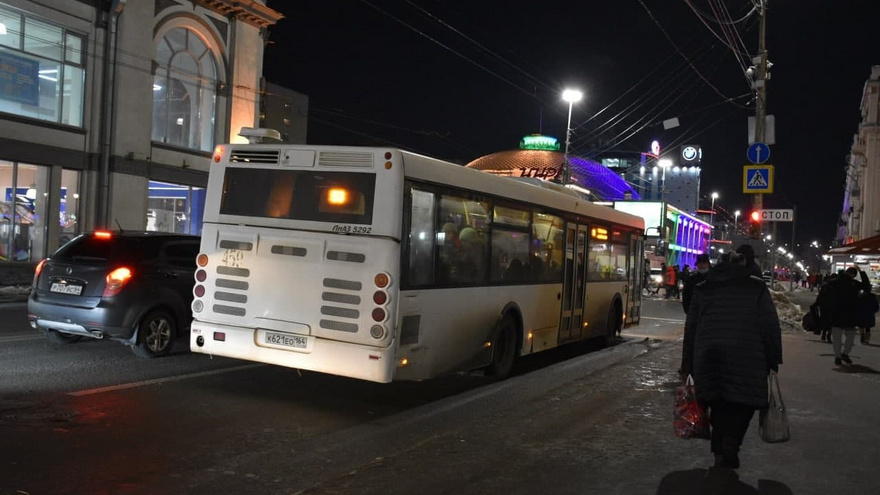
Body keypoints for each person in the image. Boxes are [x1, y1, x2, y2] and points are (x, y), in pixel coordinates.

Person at [681, 251, 782, 470]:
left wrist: (687, 363)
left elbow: (691, 329)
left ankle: (720, 448)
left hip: (709, 355)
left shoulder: (703, 289)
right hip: (748, 355)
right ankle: (732, 442)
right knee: (744, 404)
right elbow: (770, 325)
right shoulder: (756, 288)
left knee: (716, 402)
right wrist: (774, 357)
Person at [815, 266, 871, 364]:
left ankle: (837, 356)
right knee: (850, 336)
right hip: (850, 314)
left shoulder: (834, 282)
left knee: (837, 337)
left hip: (836, 313)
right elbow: (867, 286)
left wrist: (821, 306)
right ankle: (845, 353)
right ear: (853, 275)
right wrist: (861, 272)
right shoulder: (854, 284)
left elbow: (824, 293)